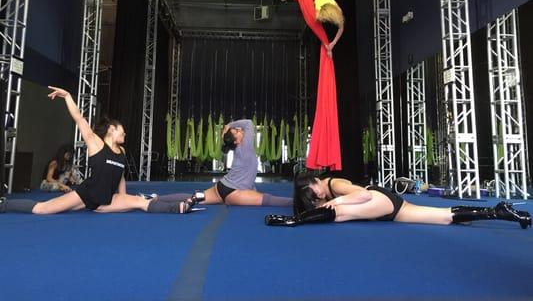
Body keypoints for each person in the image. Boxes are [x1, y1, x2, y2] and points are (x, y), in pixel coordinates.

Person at [0, 86, 152, 214]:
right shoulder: (96, 143)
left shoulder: (122, 152)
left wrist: (123, 198)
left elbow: (120, 177)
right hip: (87, 193)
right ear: (112, 129)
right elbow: (79, 118)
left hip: (103, 200)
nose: (125, 134)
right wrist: (66, 96)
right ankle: (3, 204)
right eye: (122, 131)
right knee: (43, 209)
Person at [265, 173, 532, 229]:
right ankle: (499, 212)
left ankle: (294, 221)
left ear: (314, 182)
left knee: (340, 211)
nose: (318, 197)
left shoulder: (334, 183)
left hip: (378, 198)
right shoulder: (330, 188)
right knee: (442, 216)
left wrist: (334, 202)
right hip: (391, 207)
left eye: (314, 194)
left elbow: (365, 195)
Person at [146, 119, 293, 214]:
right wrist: (230, 125)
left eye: (238, 130)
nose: (240, 130)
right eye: (237, 131)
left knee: (194, 197)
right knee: (268, 200)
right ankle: (297, 202)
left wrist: (227, 130)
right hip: (233, 192)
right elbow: (248, 123)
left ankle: (157, 198)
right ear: (236, 141)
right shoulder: (244, 145)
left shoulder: (235, 146)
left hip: (221, 187)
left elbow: (228, 138)